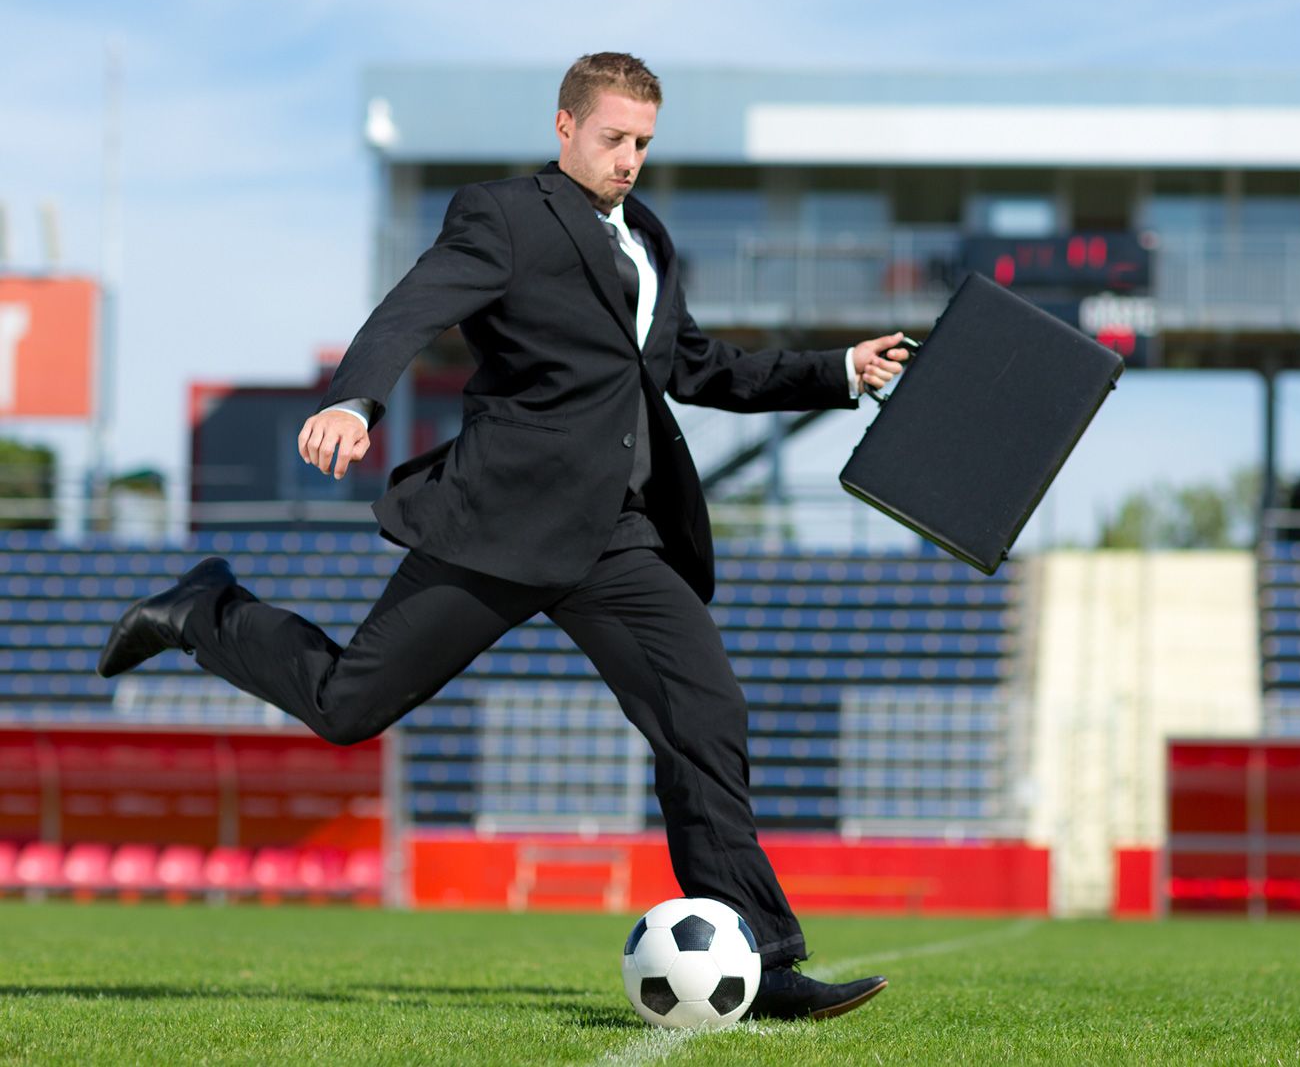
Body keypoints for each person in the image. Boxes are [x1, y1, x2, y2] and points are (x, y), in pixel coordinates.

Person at [96, 52, 907, 1022]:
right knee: (349, 706)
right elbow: (416, 306)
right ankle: (204, 611)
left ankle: (761, 958)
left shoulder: (647, 236)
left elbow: (692, 367)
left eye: (644, 142)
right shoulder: (505, 215)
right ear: (564, 127)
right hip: (499, 526)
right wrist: (357, 398)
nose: (629, 159)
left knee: (706, 715)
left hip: (617, 539)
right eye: (612, 138)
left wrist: (838, 370)